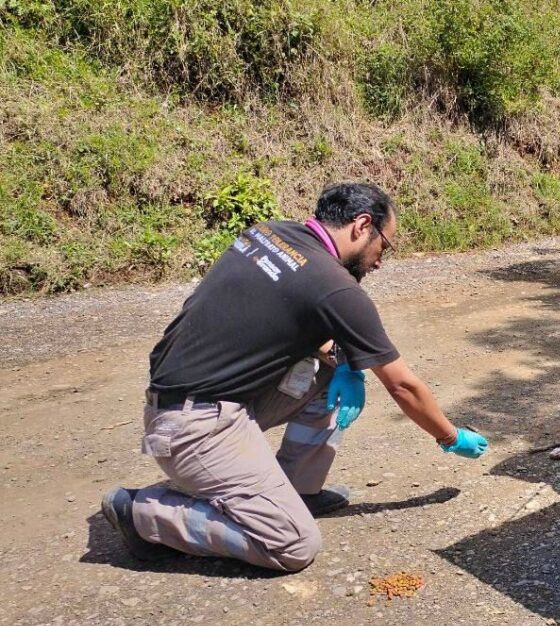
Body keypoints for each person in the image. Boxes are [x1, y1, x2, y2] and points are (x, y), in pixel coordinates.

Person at [101, 182, 488, 572]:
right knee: (292, 545)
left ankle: (298, 488)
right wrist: (450, 438)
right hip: (193, 426)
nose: (380, 260)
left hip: (190, 398)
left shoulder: (269, 234)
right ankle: (144, 515)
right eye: (384, 246)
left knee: (330, 374)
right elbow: (403, 385)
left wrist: (346, 364)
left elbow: (286, 319)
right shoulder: (335, 287)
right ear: (362, 225)